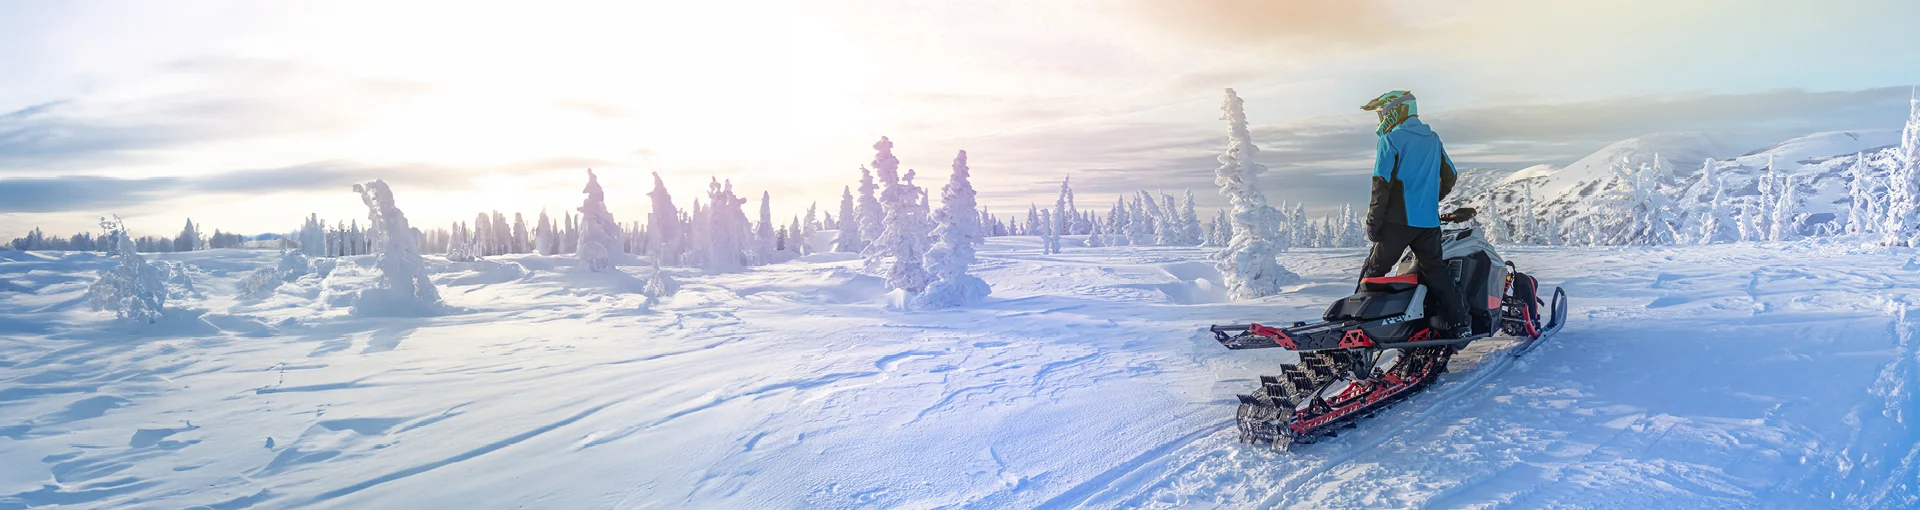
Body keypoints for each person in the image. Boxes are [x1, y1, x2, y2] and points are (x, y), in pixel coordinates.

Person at [1358, 90, 1470, 339]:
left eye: (1382, 113)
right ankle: (1462, 322)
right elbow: (1450, 174)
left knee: (1374, 269)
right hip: (1428, 223)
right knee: (1437, 272)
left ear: (1396, 111)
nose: (1380, 119)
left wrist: (1373, 222)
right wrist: (1431, 199)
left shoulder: (1391, 139)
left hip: (1397, 222)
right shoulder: (1433, 138)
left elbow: (1381, 184)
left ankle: (1354, 327)